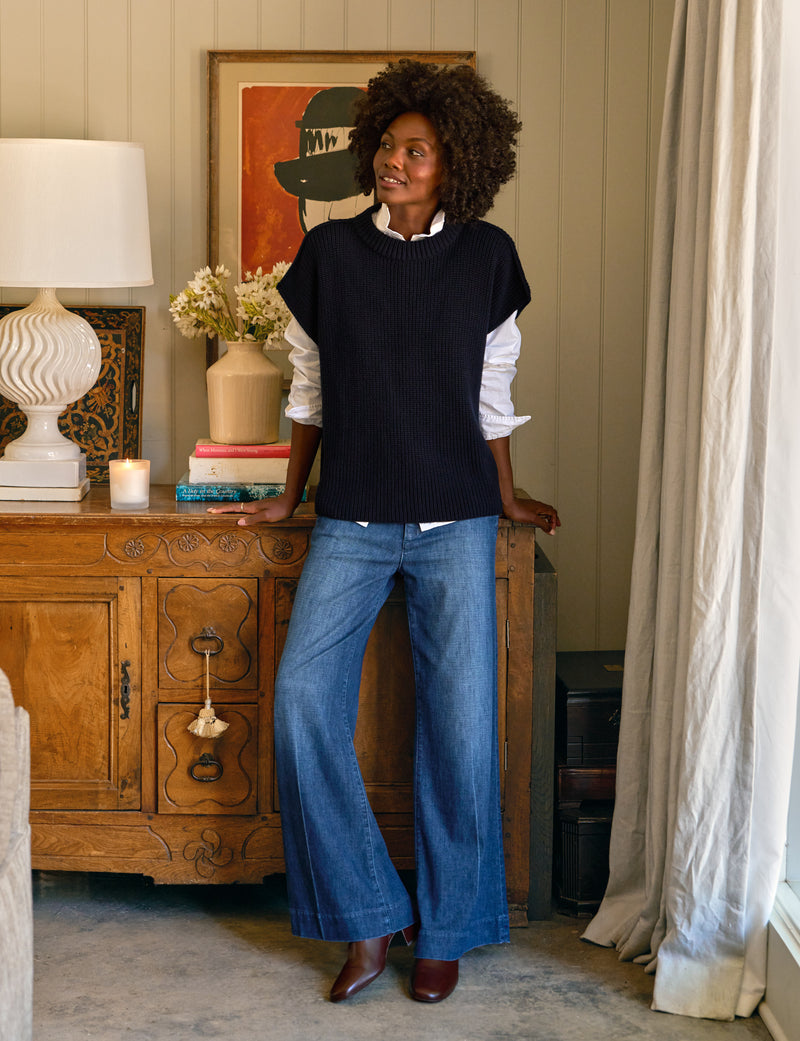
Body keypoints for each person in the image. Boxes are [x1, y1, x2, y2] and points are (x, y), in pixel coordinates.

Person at [209, 59, 560, 1004]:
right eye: (392, 147)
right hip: (353, 518)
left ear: (457, 167)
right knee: (300, 702)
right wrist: (290, 495)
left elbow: (492, 397)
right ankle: (369, 917)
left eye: (421, 151)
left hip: (457, 523)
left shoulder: (488, 258)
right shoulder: (328, 256)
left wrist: (510, 498)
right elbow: (312, 392)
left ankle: (446, 930)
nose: (399, 163)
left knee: (460, 733)